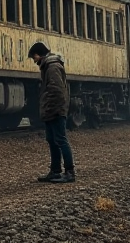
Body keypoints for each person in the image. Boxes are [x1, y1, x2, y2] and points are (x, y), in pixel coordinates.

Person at [28, 42, 75, 184]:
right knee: (52, 140)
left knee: (60, 139)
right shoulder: (49, 66)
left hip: (55, 110)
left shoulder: (52, 67)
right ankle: (55, 171)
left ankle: (69, 172)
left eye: (34, 57)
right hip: (52, 110)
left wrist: (50, 108)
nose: (34, 61)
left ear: (38, 54)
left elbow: (56, 91)